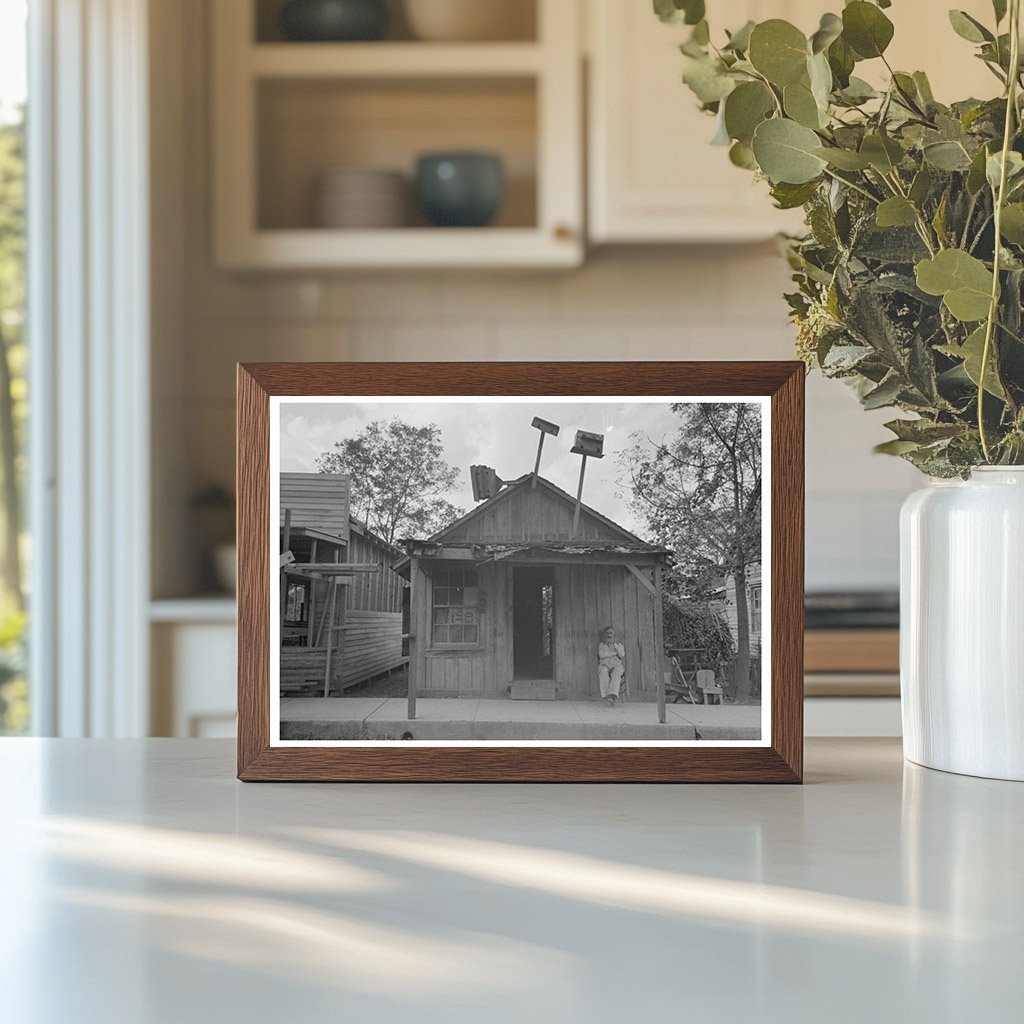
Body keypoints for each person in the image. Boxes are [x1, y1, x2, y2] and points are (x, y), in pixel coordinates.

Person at [598, 626, 625, 706]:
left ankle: (612, 696)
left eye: (611, 633)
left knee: (617, 673)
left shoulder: (619, 645)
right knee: (603, 671)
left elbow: (622, 654)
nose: (609, 635)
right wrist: (614, 653)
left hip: (616, 664)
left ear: (614, 635)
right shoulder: (602, 645)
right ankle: (607, 695)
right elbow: (602, 655)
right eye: (607, 633)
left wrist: (615, 646)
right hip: (605, 663)